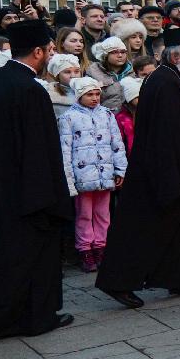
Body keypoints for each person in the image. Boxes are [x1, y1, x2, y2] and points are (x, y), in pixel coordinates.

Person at [96, 29, 180, 308]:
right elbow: (168, 134)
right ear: (173, 55)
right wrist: (178, 176)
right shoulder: (166, 83)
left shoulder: (167, 79)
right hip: (165, 170)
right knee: (146, 229)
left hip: (174, 167)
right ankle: (118, 281)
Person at [0, 20, 75, 338]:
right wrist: (50, 200)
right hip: (27, 194)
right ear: (37, 51)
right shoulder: (30, 90)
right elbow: (41, 152)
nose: (51, 57)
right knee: (29, 258)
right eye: (50, 50)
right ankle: (33, 318)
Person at [58, 75, 127, 273]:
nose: (95, 97)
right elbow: (65, 149)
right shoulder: (68, 118)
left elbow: (117, 144)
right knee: (84, 214)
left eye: (97, 93)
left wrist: (120, 169)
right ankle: (85, 249)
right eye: (89, 94)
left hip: (104, 174)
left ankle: (102, 247)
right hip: (83, 176)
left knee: (103, 213)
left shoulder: (106, 114)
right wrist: (69, 178)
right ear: (79, 95)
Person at [87, 36, 130, 111]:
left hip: (129, 118)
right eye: (114, 52)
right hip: (103, 117)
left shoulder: (133, 72)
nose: (120, 55)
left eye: (123, 52)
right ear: (105, 55)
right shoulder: (93, 72)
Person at [42, 52, 82, 118]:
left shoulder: (88, 90)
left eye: (77, 71)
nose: (73, 76)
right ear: (58, 76)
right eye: (67, 72)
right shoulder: (48, 94)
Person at [117, 76, 142, 154]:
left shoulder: (149, 112)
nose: (141, 99)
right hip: (129, 156)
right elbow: (119, 141)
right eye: (137, 97)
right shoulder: (121, 117)